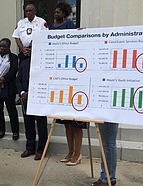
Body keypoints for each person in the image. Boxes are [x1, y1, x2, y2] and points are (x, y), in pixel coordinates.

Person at [49, 2, 86, 166]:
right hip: (60, 80)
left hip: (74, 81)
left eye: (58, 12)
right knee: (66, 124)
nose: (55, 14)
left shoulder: (70, 26)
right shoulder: (51, 28)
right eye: (55, 12)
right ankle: (70, 151)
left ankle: (78, 154)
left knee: (76, 123)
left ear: (64, 13)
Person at [16, 57, 48, 161]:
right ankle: (30, 148)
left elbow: (46, 79)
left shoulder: (44, 62)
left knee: (41, 125)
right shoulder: (24, 63)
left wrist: (32, 93)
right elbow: (18, 80)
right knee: (28, 124)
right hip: (26, 99)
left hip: (39, 98)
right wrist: (22, 93)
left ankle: (41, 150)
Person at [0, 38, 19, 140]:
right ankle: (1, 130)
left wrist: (4, 78)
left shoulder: (13, 57)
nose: (1, 48)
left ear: (8, 47)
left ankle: (15, 131)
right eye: (0, 46)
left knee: (11, 109)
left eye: (4, 47)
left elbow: (14, 70)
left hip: (8, 86)